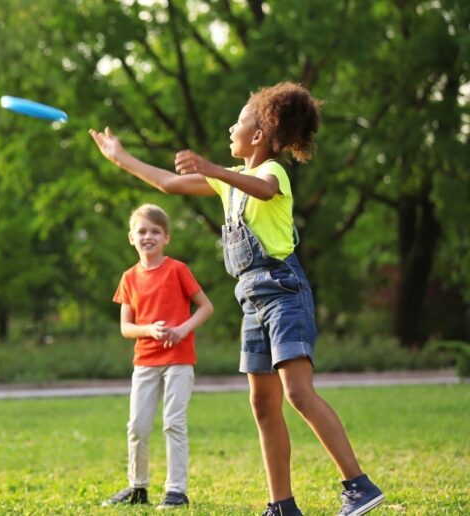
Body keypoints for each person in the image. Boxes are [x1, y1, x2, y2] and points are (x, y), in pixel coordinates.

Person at [89, 82, 385, 516]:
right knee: (262, 402)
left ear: (260, 135)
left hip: (283, 293)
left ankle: (359, 485)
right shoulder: (229, 185)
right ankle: (282, 505)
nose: (231, 127)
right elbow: (169, 183)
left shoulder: (273, 172)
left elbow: (262, 189)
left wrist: (212, 167)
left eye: (239, 121)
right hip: (251, 300)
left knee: (298, 394)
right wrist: (121, 158)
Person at [103, 204, 213, 510]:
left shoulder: (177, 270)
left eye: (155, 231)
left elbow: (205, 307)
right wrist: (149, 329)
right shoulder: (129, 278)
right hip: (145, 362)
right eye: (142, 231)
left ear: (166, 237)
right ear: (131, 238)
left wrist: (183, 329)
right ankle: (137, 487)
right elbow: (126, 327)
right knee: (137, 426)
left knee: (173, 423)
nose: (147, 236)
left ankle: (176, 490)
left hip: (179, 359)